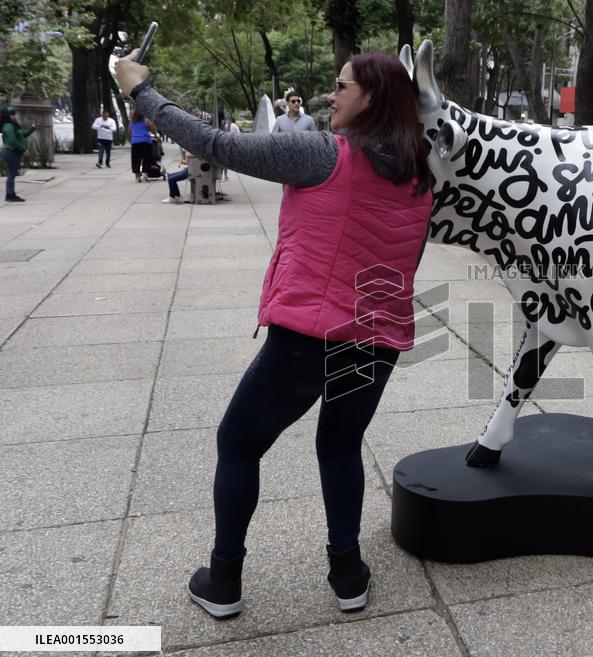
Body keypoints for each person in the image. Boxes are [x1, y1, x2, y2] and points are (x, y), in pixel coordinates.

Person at [115, 50, 432, 619]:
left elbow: (219, 145)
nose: (329, 98)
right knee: (339, 446)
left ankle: (225, 581)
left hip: (310, 340)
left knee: (238, 442)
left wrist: (142, 91)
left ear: (373, 98)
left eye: (340, 87)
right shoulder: (417, 174)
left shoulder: (322, 153)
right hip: (374, 339)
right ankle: (348, 575)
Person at [2, 106, 35, 203]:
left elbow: (23, 135)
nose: (14, 116)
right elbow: (12, 141)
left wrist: (32, 129)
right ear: (8, 116)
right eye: (12, 115)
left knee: (12, 175)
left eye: (14, 114)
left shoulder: (13, 125)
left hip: (14, 152)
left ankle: (11, 194)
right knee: (11, 175)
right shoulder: (8, 126)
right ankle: (10, 195)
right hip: (11, 152)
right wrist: (23, 149)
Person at [129, 109, 156, 182]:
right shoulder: (146, 120)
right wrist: (156, 135)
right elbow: (152, 129)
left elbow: (130, 131)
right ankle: (145, 174)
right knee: (146, 158)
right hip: (145, 141)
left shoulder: (132, 122)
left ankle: (137, 176)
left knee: (135, 159)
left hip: (135, 142)